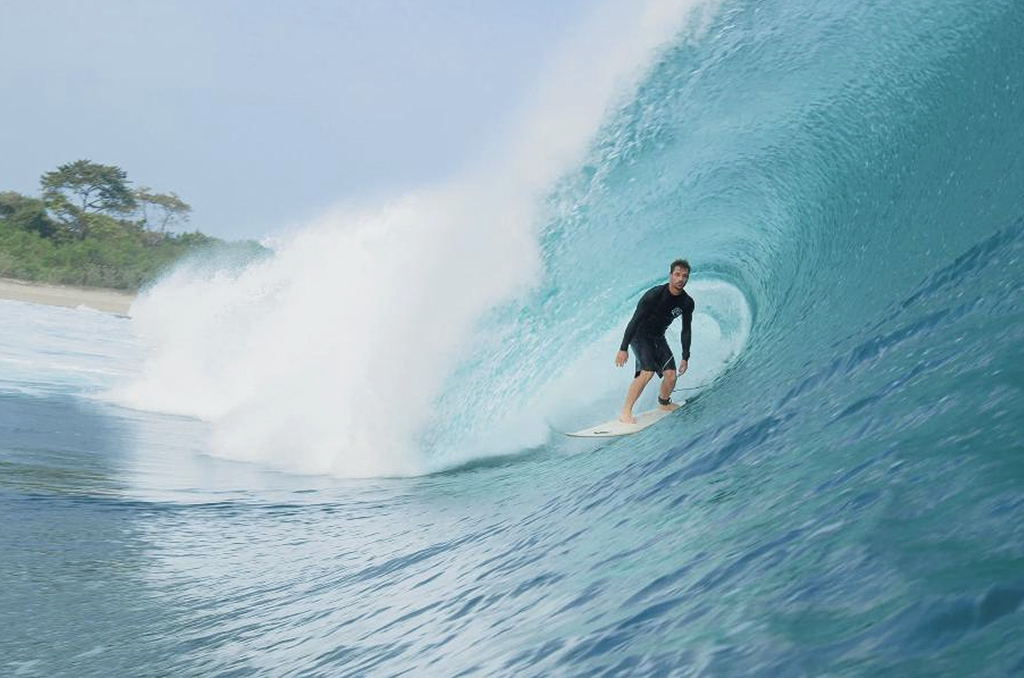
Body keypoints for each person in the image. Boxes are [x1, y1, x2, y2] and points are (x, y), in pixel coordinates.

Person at [615, 259, 694, 424]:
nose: (681, 279)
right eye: (677, 275)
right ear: (670, 275)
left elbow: (686, 330)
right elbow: (634, 321)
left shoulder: (687, 302)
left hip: (658, 337)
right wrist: (623, 348)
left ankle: (664, 403)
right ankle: (625, 412)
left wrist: (685, 356)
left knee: (671, 376)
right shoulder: (654, 295)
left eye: (685, 276)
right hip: (639, 335)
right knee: (647, 372)